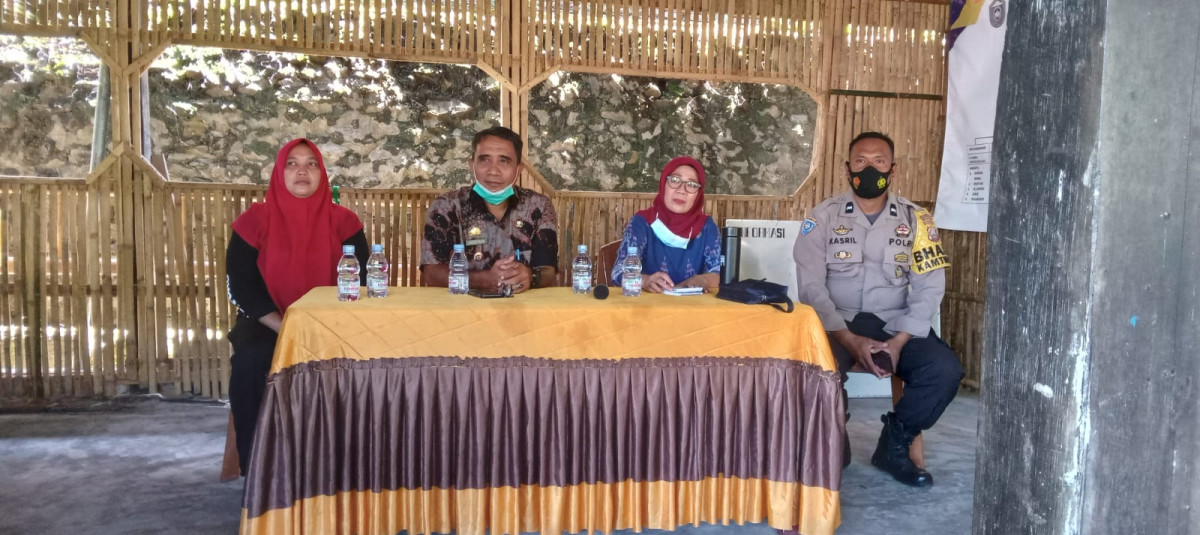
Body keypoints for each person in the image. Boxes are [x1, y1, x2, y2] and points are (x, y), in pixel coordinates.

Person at [793, 132, 963, 487]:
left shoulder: (917, 221)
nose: (869, 169)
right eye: (861, 162)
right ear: (847, 169)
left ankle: (896, 442)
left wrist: (900, 341)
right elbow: (810, 287)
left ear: (893, 169)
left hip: (894, 322)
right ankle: (833, 440)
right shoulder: (822, 217)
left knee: (943, 370)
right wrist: (849, 339)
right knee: (815, 369)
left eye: (879, 162)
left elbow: (930, 286)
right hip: (837, 323)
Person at [225, 138, 367, 475]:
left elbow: (360, 280)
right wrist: (284, 326)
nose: (302, 170)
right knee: (250, 363)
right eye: (292, 163)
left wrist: (323, 325)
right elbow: (242, 285)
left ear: (322, 173)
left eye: (311, 163)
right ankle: (261, 473)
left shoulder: (344, 222)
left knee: (367, 364)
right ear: (279, 172)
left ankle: (345, 469)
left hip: (332, 325)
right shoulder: (254, 221)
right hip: (267, 324)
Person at [421, 126, 558, 292]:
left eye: (504, 161)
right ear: (472, 164)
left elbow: (549, 271)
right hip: (461, 309)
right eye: (484, 160)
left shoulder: (539, 206)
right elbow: (431, 274)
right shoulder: (446, 206)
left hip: (523, 309)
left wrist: (530, 276)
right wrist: (483, 280)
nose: (493, 171)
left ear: (519, 168)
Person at [610, 156, 721, 292]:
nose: (682, 190)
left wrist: (702, 280)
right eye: (675, 180)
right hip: (644, 309)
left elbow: (720, 273)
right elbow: (617, 273)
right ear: (663, 184)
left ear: (698, 194)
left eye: (691, 185)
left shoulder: (706, 227)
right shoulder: (642, 222)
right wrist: (645, 281)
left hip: (694, 309)